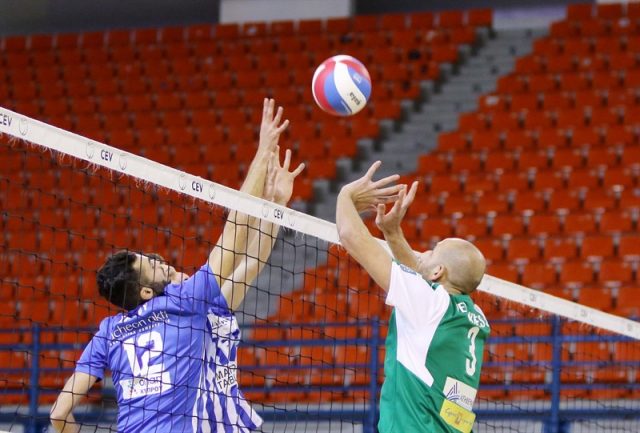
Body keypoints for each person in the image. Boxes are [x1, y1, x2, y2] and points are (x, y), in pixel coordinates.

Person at [50, 98, 304, 433]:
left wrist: (276, 205)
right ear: (147, 291)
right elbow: (240, 240)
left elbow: (58, 414)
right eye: (155, 266)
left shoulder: (109, 331)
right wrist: (263, 155)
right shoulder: (186, 300)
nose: (163, 263)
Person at [335, 161, 490, 433]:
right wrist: (393, 233)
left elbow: (350, 235)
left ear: (438, 272)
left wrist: (346, 195)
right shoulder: (474, 316)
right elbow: (420, 278)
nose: (424, 253)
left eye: (432, 250)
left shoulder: (430, 305)